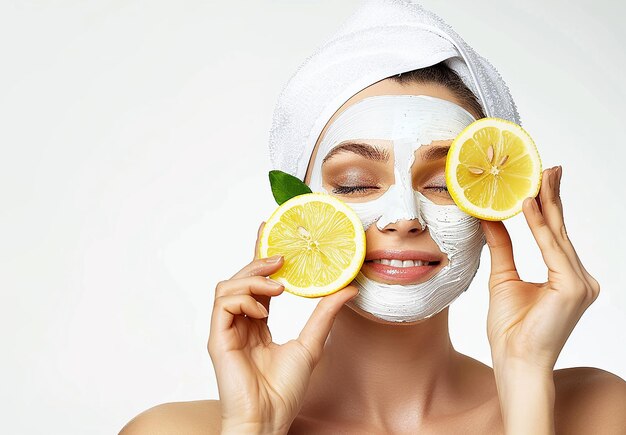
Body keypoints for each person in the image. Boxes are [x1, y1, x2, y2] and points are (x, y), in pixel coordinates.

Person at [121, 1, 626, 433]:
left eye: (444, 185)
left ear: (493, 202)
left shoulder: (598, 412)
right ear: (301, 208)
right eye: (355, 184)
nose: (403, 217)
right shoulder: (171, 430)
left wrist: (525, 384)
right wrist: (251, 427)